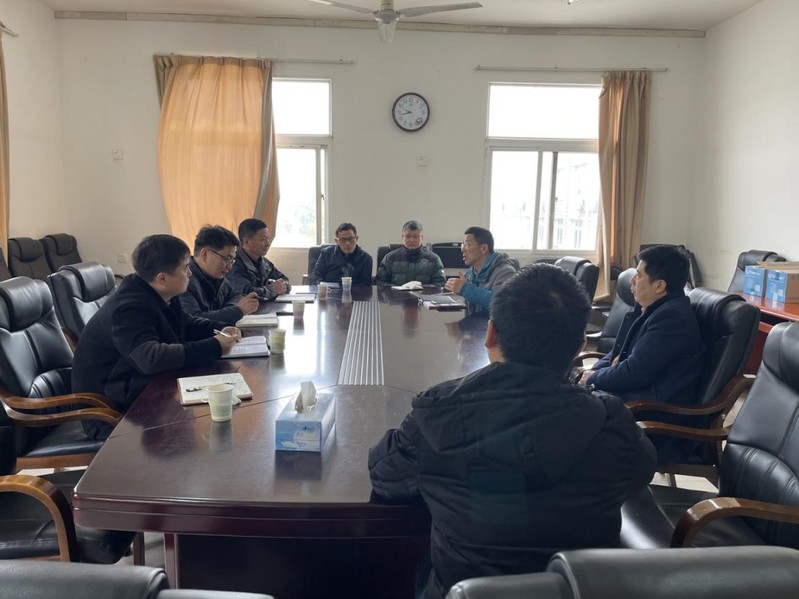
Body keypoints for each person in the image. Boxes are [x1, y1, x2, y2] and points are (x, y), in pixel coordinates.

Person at [369, 264, 656, 599]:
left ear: (491, 333)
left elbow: (384, 475)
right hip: (575, 589)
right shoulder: (611, 422)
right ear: (579, 346)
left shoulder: (437, 413)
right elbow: (639, 474)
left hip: (467, 590)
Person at [72, 234, 241, 441]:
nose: (190, 273)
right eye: (185, 268)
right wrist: (215, 346)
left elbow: (185, 323)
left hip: (143, 388)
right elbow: (150, 358)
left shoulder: (159, 291)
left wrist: (219, 328)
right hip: (111, 410)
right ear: (162, 278)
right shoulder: (129, 307)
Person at [578, 244, 705, 462]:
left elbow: (634, 372)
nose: (632, 281)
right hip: (631, 398)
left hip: (652, 414)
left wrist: (593, 378)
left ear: (660, 285)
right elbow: (617, 353)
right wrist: (593, 373)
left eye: (638, 275)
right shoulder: (652, 310)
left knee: (569, 415)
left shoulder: (671, 319)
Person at [179, 225, 259, 326]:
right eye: (227, 259)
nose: (230, 266)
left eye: (232, 260)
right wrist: (237, 311)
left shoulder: (218, 278)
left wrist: (229, 310)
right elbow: (193, 322)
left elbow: (236, 296)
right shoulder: (184, 281)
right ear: (205, 254)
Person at [444, 226, 517, 313]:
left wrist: (464, 289)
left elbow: (500, 303)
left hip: (493, 322)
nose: (463, 249)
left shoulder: (505, 272)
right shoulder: (471, 272)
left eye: (467, 245)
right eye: (463, 245)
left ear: (483, 248)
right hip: (474, 320)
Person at [227, 219, 291, 301]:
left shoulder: (264, 262)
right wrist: (273, 289)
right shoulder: (233, 264)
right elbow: (246, 294)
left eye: (268, 239)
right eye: (263, 239)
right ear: (246, 241)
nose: (268, 244)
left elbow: (284, 279)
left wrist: (282, 286)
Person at [375, 220, 446, 287]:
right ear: (402, 237)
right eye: (408, 236)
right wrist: (397, 289)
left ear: (421, 238)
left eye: (415, 236)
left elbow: (440, 284)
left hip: (423, 295)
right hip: (395, 295)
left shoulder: (433, 259)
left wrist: (421, 289)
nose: (412, 240)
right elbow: (380, 283)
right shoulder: (390, 258)